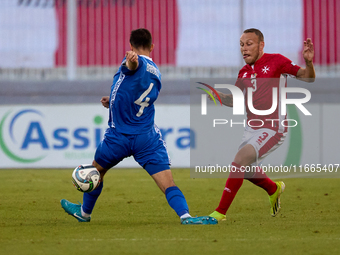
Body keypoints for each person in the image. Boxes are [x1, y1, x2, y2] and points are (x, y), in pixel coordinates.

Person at [60, 28, 217, 225]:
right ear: (152, 46)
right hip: (146, 138)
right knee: (167, 183)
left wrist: (132, 60)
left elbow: (133, 65)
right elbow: (138, 95)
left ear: (130, 46)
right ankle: (186, 216)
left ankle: (84, 213)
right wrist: (115, 100)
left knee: (95, 172)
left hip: (119, 137)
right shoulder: (156, 71)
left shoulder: (136, 62)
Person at [209, 28, 315, 221]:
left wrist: (308, 62)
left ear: (261, 45)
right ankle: (274, 189)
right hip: (251, 128)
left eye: (249, 44)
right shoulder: (243, 72)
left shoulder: (277, 61)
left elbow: (308, 77)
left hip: (273, 127)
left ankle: (220, 213)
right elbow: (235, 100)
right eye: (241, 45)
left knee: (239, 160)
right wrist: (217, 95)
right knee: (247, 171)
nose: (244, 49)